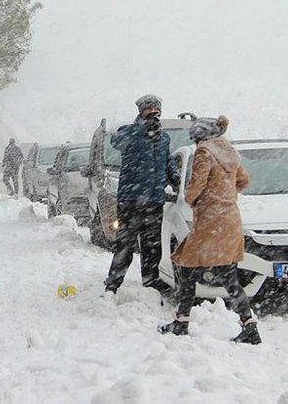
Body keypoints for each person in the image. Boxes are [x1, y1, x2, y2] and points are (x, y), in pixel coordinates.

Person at [158, 116, 261, 344]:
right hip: (229, 220)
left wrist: (195, 200)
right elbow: (244, 181)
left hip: (209, 221)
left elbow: (196, 186)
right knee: (229, 277)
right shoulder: (230, 151)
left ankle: (182, 322)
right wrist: (225, 195)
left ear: (199, 136)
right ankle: (249, 325)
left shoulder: (204, 152)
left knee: (186, 269)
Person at [103, 94, 180, 295]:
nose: (154, 112)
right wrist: (142, 129)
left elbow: (167, 162)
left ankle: (151, 281)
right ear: (141, 111)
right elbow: (116, 141)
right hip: (131, 200)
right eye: (149, 108)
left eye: (157, 109)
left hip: (154, 200)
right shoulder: (129, 131)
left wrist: (177, 180)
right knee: (125, 245)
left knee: (152, 245)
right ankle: (113, 284)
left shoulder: (163, 137)